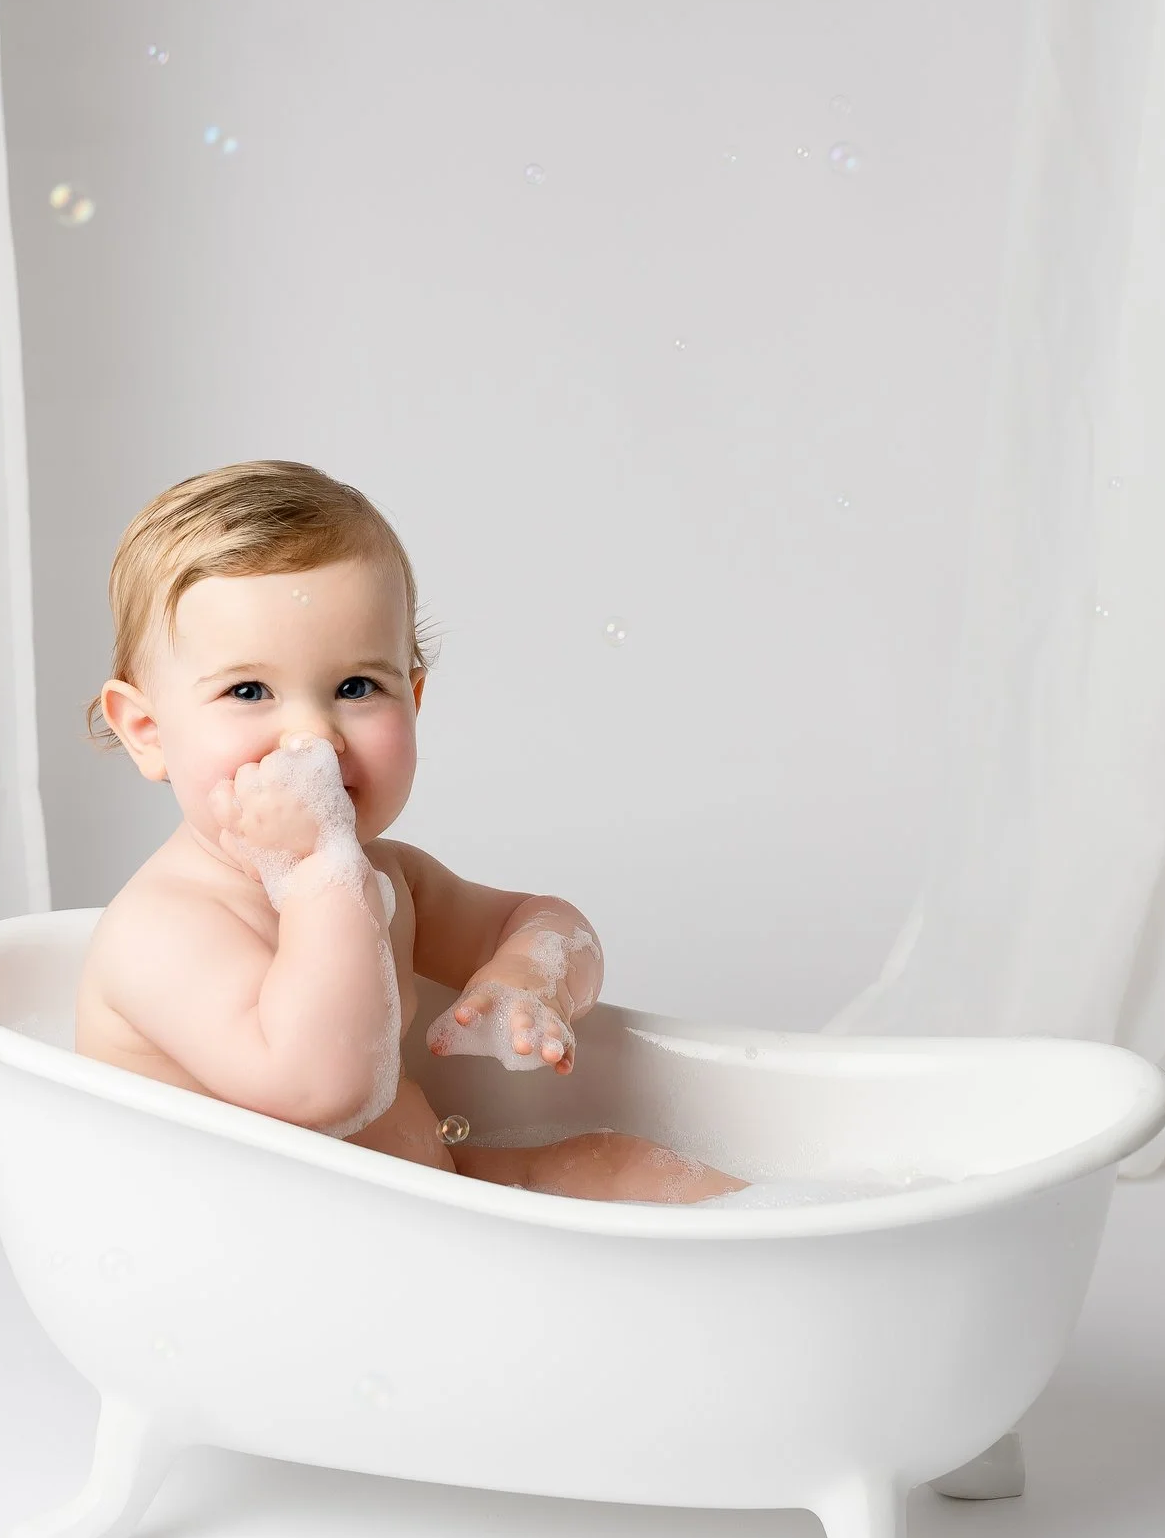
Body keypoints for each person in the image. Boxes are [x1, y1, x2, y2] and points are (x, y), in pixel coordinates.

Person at [72, 460, 745, 1204]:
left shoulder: (390, 877)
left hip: (412, 1211)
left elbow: (548, 922)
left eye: (356, 687)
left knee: (619, 1161)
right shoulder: (162, 929)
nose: (310, 738)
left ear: (413, 697)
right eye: (248, 690)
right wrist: (318, 871)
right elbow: (327, 1090)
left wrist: (527, 976)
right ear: (147, 730)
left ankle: (788, 1255)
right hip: (258, 1250)